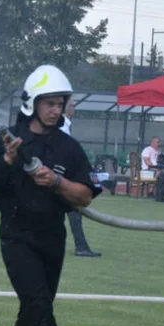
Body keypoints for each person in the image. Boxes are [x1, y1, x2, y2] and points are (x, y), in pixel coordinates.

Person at [0, 65, 102, 326]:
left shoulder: (69, 148)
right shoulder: (9, 140)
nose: (55, 110)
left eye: (60, 103)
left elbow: (86, 196)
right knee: (37, 303)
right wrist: (7, 159)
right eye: (49, 103)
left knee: (36, 307)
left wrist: (58, 182)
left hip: (52, 236)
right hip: (16, 234)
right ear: (32, 103)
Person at [61, 100, 101, 258]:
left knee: (73, 210)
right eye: (72, 106)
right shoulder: (62, 123)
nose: (74, 108)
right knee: (73, 209)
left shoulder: (65, 123)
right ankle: (81, 247)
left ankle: (81, 246)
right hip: (62, 175)